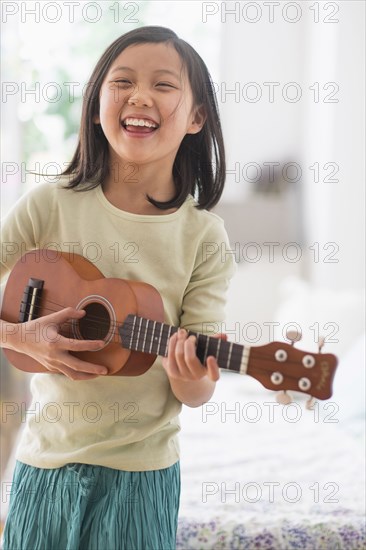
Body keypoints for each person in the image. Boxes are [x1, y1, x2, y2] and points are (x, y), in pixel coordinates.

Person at [0, 26, 235, 550]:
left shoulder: (204, 237)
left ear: (197, 117)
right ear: (97, 102)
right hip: (46, 463)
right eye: (122, 81)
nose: (140, 96)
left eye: (164, 85)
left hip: (143, 473)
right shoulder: (48, 205)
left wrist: (192, 375)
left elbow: (196, 391)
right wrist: (19, 338)